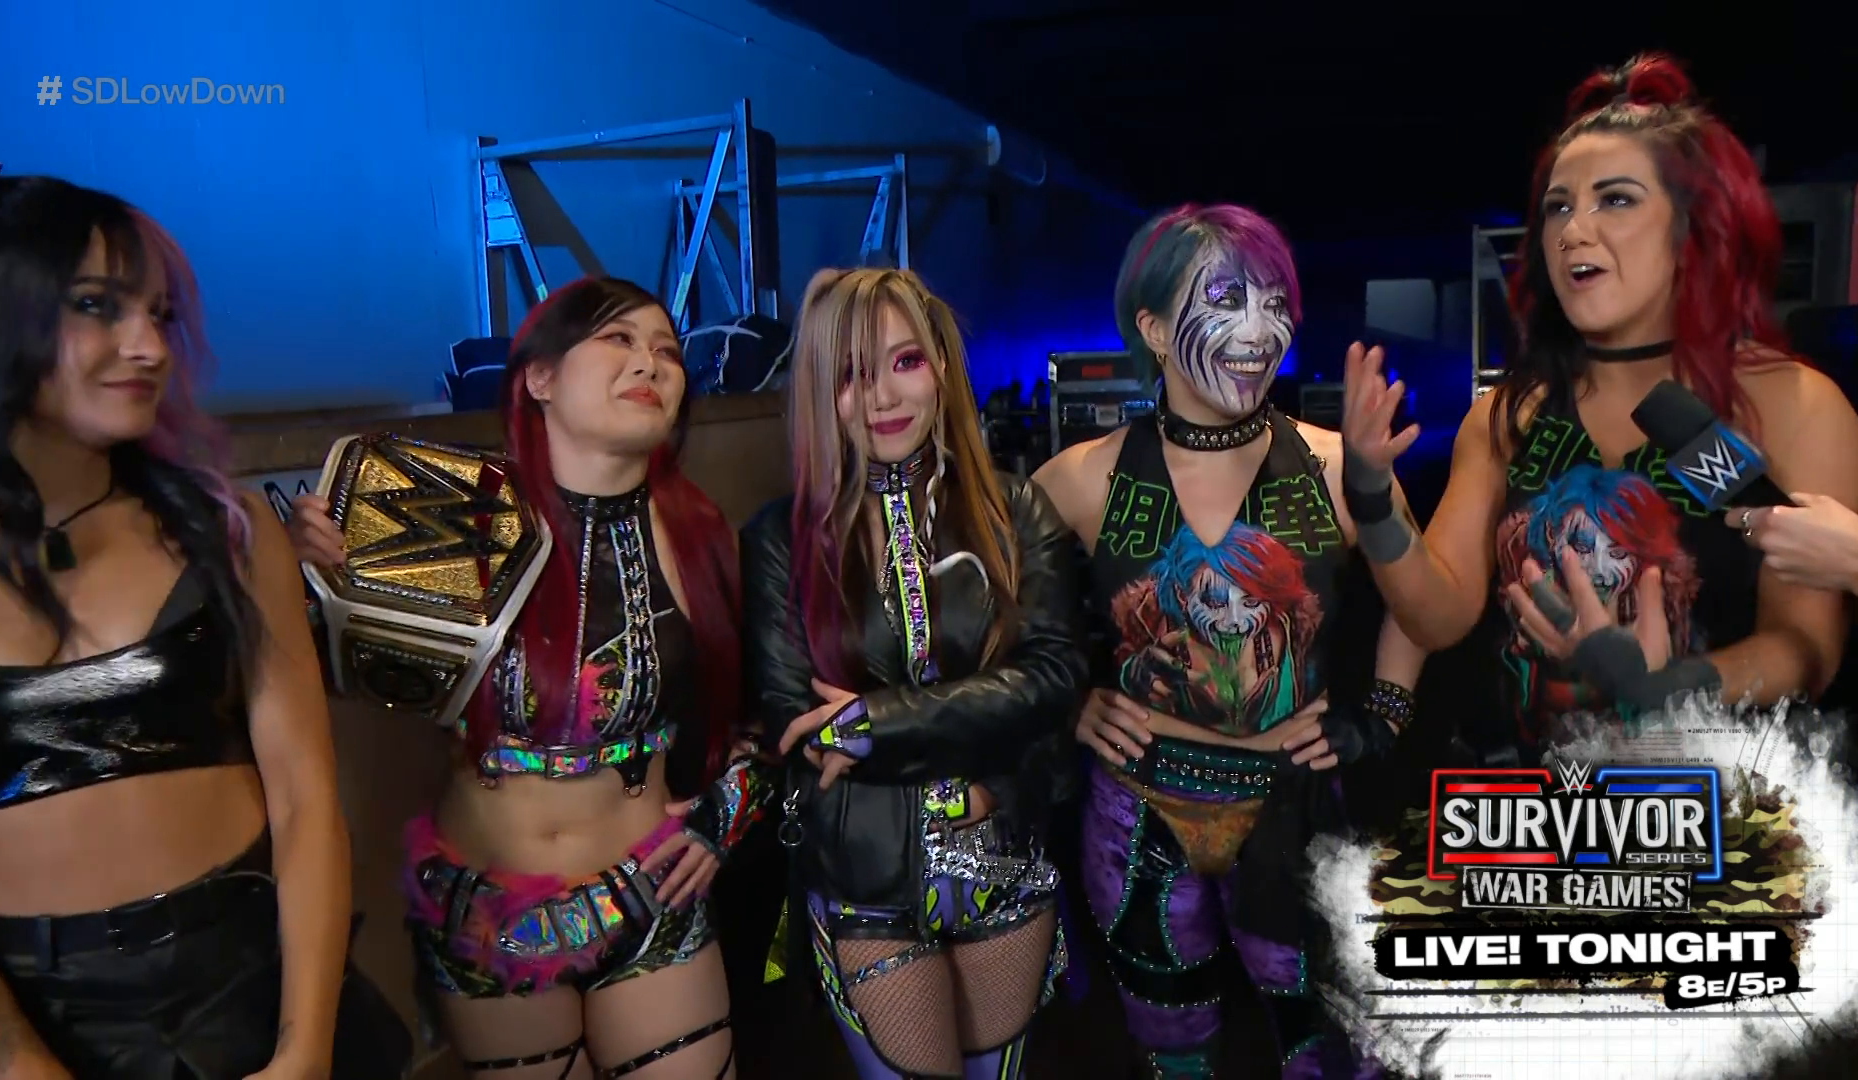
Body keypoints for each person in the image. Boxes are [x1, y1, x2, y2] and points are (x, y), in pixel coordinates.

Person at [0, 173, 406, 1078]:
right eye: (95, 307)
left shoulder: (224, 531)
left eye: (158, 315)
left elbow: (306, 802)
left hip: (258, 988)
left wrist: (303, 1052)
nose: (148, 347)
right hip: (29, 1023)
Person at [288, 276, 771, 1078]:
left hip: (651, 902)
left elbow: (760, 711)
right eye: (618, 340)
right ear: (539, 378)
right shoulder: (449, 523)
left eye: (667, 351)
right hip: (484, 919)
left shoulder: (701, 534)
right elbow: (338, 684)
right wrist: (307, 584)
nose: (650, 363)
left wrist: (722, 821)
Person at [1337, 53, 1858, 761]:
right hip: (1528, 805)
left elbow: (1807, 647)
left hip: (1713, 802)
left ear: (1693, 228)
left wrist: (1672, 686)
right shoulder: (1508, 415)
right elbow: (1437, 617)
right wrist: (1373, 497)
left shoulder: (1792, 405)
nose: (1573, 230)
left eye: (1615, 199)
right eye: (1559, 206)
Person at [1034, 202, 1412, 1079]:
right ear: (1154, 329)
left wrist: (1385, 711)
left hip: (1296, 805)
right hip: (1139, 815)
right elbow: (1002, 622)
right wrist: (1073, 700)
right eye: (1226, 299)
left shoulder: (1334, 466)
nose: (1259, 330)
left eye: (1275, 303)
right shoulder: (1082, 478)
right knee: (1172, 1047)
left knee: (1331, 1046)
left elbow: (1421, 600)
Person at [743, 267, 1085, 1080]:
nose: (884, 396)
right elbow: (795, 719)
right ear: (820, 391)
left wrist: (874, 723)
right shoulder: (780, 539)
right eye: (852, 374)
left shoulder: (1016, 510)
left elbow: (1053, 678)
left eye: (906, 362)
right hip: (863, 877)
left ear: (941, 367)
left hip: (1004, 852)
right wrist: (984, 714)